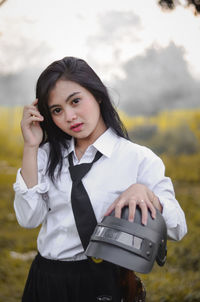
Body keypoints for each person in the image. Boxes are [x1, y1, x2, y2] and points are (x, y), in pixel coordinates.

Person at [13, 56, 187, 302]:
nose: (70, 116)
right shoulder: (46, 155)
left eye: (75, 101)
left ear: (97, 95)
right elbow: (29, 219)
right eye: (57, 110)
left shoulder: (138, 159)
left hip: (106, 280)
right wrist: (31, 147)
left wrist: (148, 195)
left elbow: (178, 228)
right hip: (47, 278)